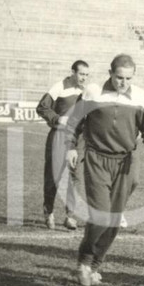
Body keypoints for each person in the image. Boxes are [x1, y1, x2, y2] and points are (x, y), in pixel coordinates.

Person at [65, 54, 144, 286]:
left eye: (128, 78)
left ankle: (95, 265)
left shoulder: (140, 97)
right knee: (101, 214)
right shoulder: (93, 93)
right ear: (110, 73)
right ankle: (85, 261)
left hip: (126, 162)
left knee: (114, 220)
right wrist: (71, 147)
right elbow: (74, 122)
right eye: (119, 77)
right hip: (97, 158)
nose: (123, 82)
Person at [37, 60, 91, 230]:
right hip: (59, 137)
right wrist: (57, 119)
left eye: (86, 75)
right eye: (81, 74)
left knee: (75, 178)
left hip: (78, 139)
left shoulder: (85, 92)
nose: (84, 78)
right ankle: (49, 212)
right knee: (53, 176)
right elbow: (42, 107)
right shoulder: (59, 87)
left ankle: (69, 216)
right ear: (73, 72)